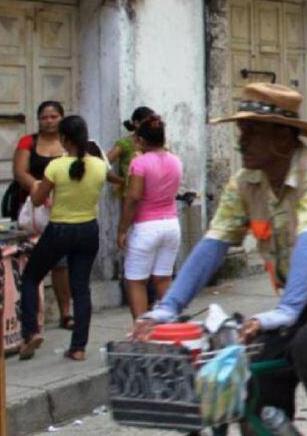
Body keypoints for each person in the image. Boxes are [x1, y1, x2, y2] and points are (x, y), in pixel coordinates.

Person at [132, 83, 307, 436]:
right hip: (305, 297)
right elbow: (214, 243)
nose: (242, 142)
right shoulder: (246, 183)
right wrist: (167, 308)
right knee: (252, 370)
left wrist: (285, 312)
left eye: (251, 132)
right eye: (242, 131)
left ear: (282, 138)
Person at [19, 115, 108, 361]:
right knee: (81, 287)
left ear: (64, 139)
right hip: (88, 229)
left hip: (60, 229)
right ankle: (78, 348)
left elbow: (38, 200)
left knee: (31, 277)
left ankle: (30, 333)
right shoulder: (99, 166)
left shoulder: (56, 167)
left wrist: (36, 187)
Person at [11, 100, 73, 331]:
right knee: (28, 260)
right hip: (34, 208)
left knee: (61, 264)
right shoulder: (28, 141)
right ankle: (28, 318)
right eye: (44, 117)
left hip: (63, 207)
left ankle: (65, 312)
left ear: (62, 118)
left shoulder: (69, 142)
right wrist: (39, 189)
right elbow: (20, 172)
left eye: (53, 117)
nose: (49, 121)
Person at [116, 114, 183, 320]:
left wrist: (122, 229)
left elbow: (133, 197)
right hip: (171, 224)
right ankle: (168, 325)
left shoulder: (140, 163)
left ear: (142, 140)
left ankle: (141, 328)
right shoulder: (175, 160)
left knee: (136, 281)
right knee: (163, 278)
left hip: (146, 227)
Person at [107, 107, 155, 198]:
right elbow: (102, 165)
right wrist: (123, 181)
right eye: (147, 124)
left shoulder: (155, 144)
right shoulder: (125, 144)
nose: (151, 128)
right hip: (132, 198)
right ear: (137, 123)